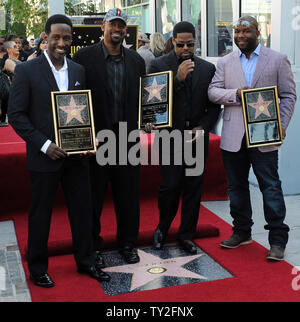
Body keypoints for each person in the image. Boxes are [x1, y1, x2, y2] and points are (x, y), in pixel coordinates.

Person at [8, 14, 110, 288]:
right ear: (45, 37)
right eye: (56, 37)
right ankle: (38, 268)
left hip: (77, 159)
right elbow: (16, 115)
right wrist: (44, 144)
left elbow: (83, 111)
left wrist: (89, 141)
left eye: (66, 38)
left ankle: (86, 261)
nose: (61, 43)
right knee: (41, 214)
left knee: (82, 211)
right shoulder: (26, 71)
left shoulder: (78, 70)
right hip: (44, 157)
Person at [208, 16, 297, 261]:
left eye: (246, 31)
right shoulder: (225, 61)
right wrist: (235, 94)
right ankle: (241, 232)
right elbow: (213, 91)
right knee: (236, 187)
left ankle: (277, 240)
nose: (240, 36)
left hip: (265, 135)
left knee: (270, 187)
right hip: (233, 136)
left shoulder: (277, 59)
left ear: (258, 32)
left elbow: (289, 95)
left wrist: (282, 125)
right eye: (236, 31)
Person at [73, 8, 146, 264]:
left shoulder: (136, 60)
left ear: (126, 30)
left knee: (128, 195)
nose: (117, 28)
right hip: (96, 139)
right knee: (93, 196)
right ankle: (93, 246)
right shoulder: (83, 57)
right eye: (112, 24)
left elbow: (147, 98)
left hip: (127, 137)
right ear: (103, 27)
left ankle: (127, 243)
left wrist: (150, 119)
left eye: (121, 25)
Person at [147, 21, 221, 254]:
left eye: (190, 44)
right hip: (170, 137)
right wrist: (177, 80)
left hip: (196, 137)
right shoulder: (158, 65)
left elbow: (214, 107)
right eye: (181, 45)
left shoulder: (207, 69)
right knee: (169, 186)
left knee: (193, 188)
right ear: (173, 42)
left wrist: (204, 128)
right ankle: (162, 228)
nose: (186, 49)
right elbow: (155, 106)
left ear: (196, 42)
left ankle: (187, 234)